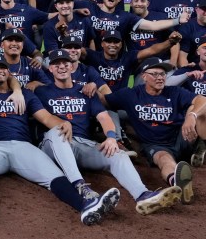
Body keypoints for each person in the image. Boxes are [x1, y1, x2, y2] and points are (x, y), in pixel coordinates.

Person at [0, 56, 120, 225]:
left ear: (8, 72)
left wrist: (62, 122)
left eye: (2, 68)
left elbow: (46, 118)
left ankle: (85, 206)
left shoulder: (25, 94)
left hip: (24, 146)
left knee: (54, 175)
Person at [35, 50, 182, 215]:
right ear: (51, 69)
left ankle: (142, 194)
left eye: (65, 63)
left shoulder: (86, 92)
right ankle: (81, 187)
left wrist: (111, 137)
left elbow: (104, 117)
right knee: (57, 132)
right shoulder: (42, 92)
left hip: (81, 144)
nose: (61, 67)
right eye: (56, 64)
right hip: (53, 146)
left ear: (72, 66)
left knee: (118, 154)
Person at [101, 57, 206, 205]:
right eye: (155, 74)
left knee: (199, 109)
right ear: (143, 76)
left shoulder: (174, 91)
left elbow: (202, 99)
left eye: (163, 74)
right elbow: (104, 101)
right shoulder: (131, 94)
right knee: (164, 159)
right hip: (157, 146)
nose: (160, 78)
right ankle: (178, 183)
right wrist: (92, 86)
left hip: (183, 136)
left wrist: (192, 116)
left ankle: (201, 144)